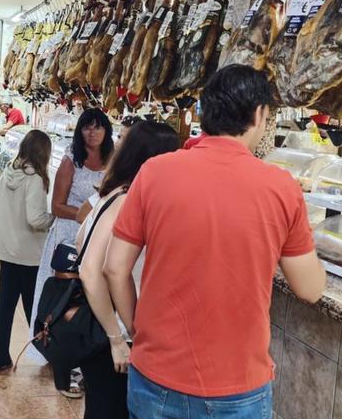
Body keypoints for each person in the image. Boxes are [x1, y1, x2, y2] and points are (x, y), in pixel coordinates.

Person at [104, 65, 326, 418]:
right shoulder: (281, 187)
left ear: (205, 111)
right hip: (238, 387)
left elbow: (114, 268)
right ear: (259, 115)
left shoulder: (155, 172)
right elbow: (309, 289)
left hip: (155, 376)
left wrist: (137, 330)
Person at [74, 121, 181, 419]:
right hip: (113, 331)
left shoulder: (110, 194)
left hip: (100, 326)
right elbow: (90, 270)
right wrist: (119, 338)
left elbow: (81, 243)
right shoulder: (126, 199)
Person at [29, 107, 114, 399]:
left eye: (98, 127)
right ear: (79, 131)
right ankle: (61, 355)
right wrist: (88, 214)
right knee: (65, 298)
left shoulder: (113, 161)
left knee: (92, 298)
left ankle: (88, 356)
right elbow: (57, 206)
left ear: (106, 131)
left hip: (99, 238)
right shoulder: (71, 161)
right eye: (87, 127)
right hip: (68, 238)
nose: (92, 132)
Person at [0, 130, 55, 375]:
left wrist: (8, 219)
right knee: (34, 308)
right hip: (29, 254)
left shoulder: (9, 172)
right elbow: (35, 219)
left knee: (4, 308)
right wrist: (54, 219)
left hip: (6, 251)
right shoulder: (35, 179)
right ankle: (48, 354)